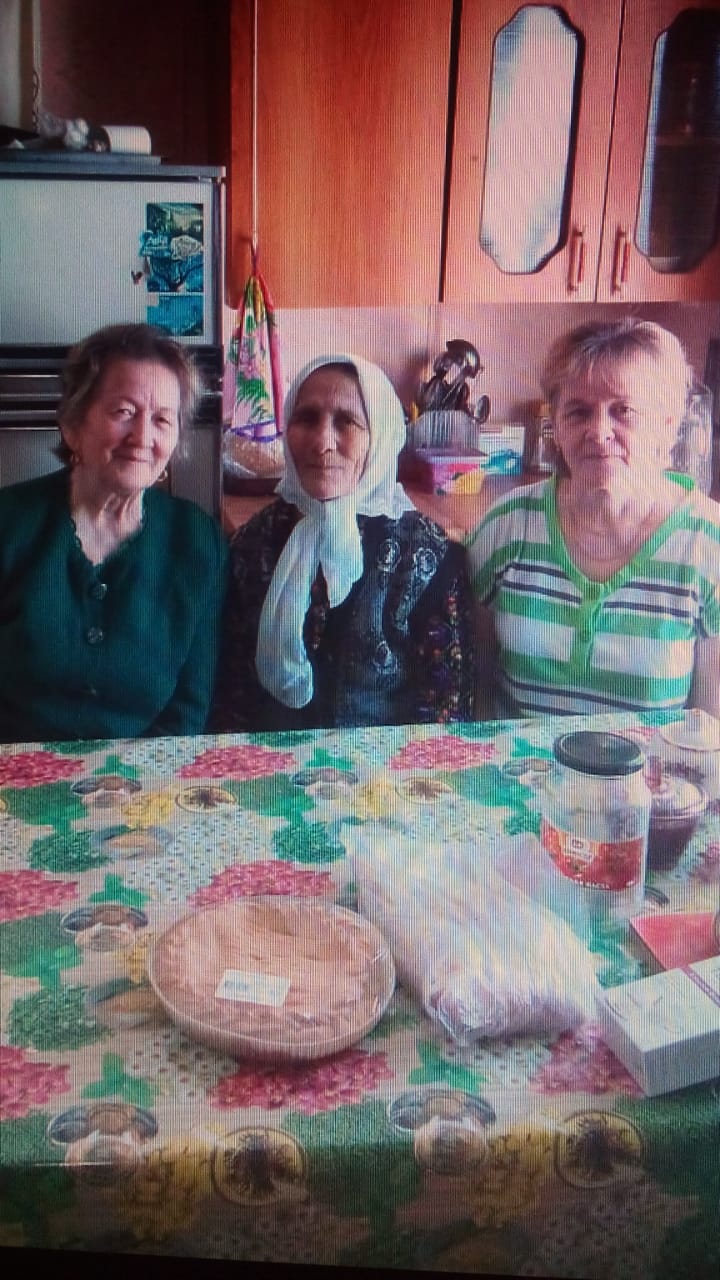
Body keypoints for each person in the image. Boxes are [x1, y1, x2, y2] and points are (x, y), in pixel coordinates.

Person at [466, 318, 720, 718]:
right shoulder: (505, 527)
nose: (599, 431)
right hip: (513, 760)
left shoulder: (708, 546)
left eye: (624, 411)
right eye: (578, 412)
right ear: (555, 426)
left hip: (653, 762)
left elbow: (710, 728)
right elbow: (472, 688)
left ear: (668, 426)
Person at [211, 354, 475, 730]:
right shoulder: (254, 543)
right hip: (269, 761)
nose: (322, 442)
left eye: (347, 421)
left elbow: (446, 715)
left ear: (379, 436)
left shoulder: (424, 555)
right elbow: (230, 696)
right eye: (306, 418)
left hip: (385, 764)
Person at [0, 323, 228, 742]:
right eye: (123, 412)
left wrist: (135, 777)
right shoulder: (9, 524)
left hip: (146, 775)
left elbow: (190, 708)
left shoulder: (198, 541)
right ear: (73, 425)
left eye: (162, 419)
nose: (142, 437)